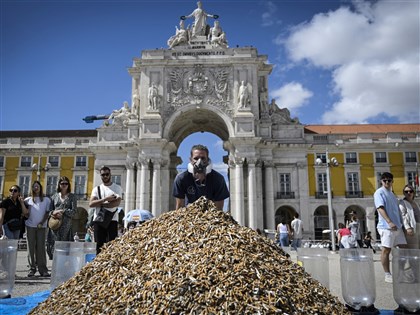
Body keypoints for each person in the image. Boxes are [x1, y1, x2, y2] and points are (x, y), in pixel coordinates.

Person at [173, 144, 229, 211]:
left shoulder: (218, 179)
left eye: (203, 158)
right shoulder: (181, 178)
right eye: (196, 158)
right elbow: (180, 207)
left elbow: (219, 209)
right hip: (189, 214)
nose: (199, 162)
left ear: (208, 160)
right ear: (190, 160)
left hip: (210, 215)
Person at [374, 172, 406, 283]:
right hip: (386, 226)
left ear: (392, 181)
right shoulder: (379, 192)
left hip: (397, 226)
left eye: (389, 180)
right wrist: (389, 222)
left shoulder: (392, 194)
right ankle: (387, 274)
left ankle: (400, 272)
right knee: (386, 250)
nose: (387, 182)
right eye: (384, 180)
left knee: (403, 249)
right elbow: (380, 208)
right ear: (381, 181)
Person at [89, 166, 123, 254]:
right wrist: (105, 199)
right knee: (99, 246)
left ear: (110, 174)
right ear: (100, 176)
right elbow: (91, 204)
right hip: (99, 220)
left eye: (107, 174)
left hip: (112, 220)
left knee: (112, 245)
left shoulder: (117, 188)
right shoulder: (96, 189)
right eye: (103, 175)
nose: (105, 176)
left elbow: (116, 203)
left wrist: (100, 203)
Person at [47, 176, 77, 259]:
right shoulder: (54, 196)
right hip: (55, 226)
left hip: (66, 227)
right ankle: (55, 268)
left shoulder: (72, 197)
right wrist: (54, 213)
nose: (64, 185)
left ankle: (64, 268)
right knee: (55, 247)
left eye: (66, 183)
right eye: (62, 183)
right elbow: (49, 211)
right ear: (59, 185)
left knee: (65, 250)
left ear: (68, 185)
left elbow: (74, 212)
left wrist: (63, 211)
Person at [25, 181, 51, 277]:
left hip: (42, 227)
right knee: (30, 248)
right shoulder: (28, 200)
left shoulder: (46, 200)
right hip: (30, 226)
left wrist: (42, 222)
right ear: (32, 188)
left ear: (40, 187)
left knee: (41, 248)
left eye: (38, 186)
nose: (36, 188)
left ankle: (43, 269)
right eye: (34, 186)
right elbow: (24, 212)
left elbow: (47, 213)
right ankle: (32, 269)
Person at [399, 184, 420, 249]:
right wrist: (407, 227)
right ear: (404, 193)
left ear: (413, 192)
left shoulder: (415, 203)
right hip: (411, 228)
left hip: (418, 226)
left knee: (418, 247)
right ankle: (413, 259)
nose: (409, 193)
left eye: (411, 191)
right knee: (413, 248)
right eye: (406, 191)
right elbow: (403, 215)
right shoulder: (402, 203)